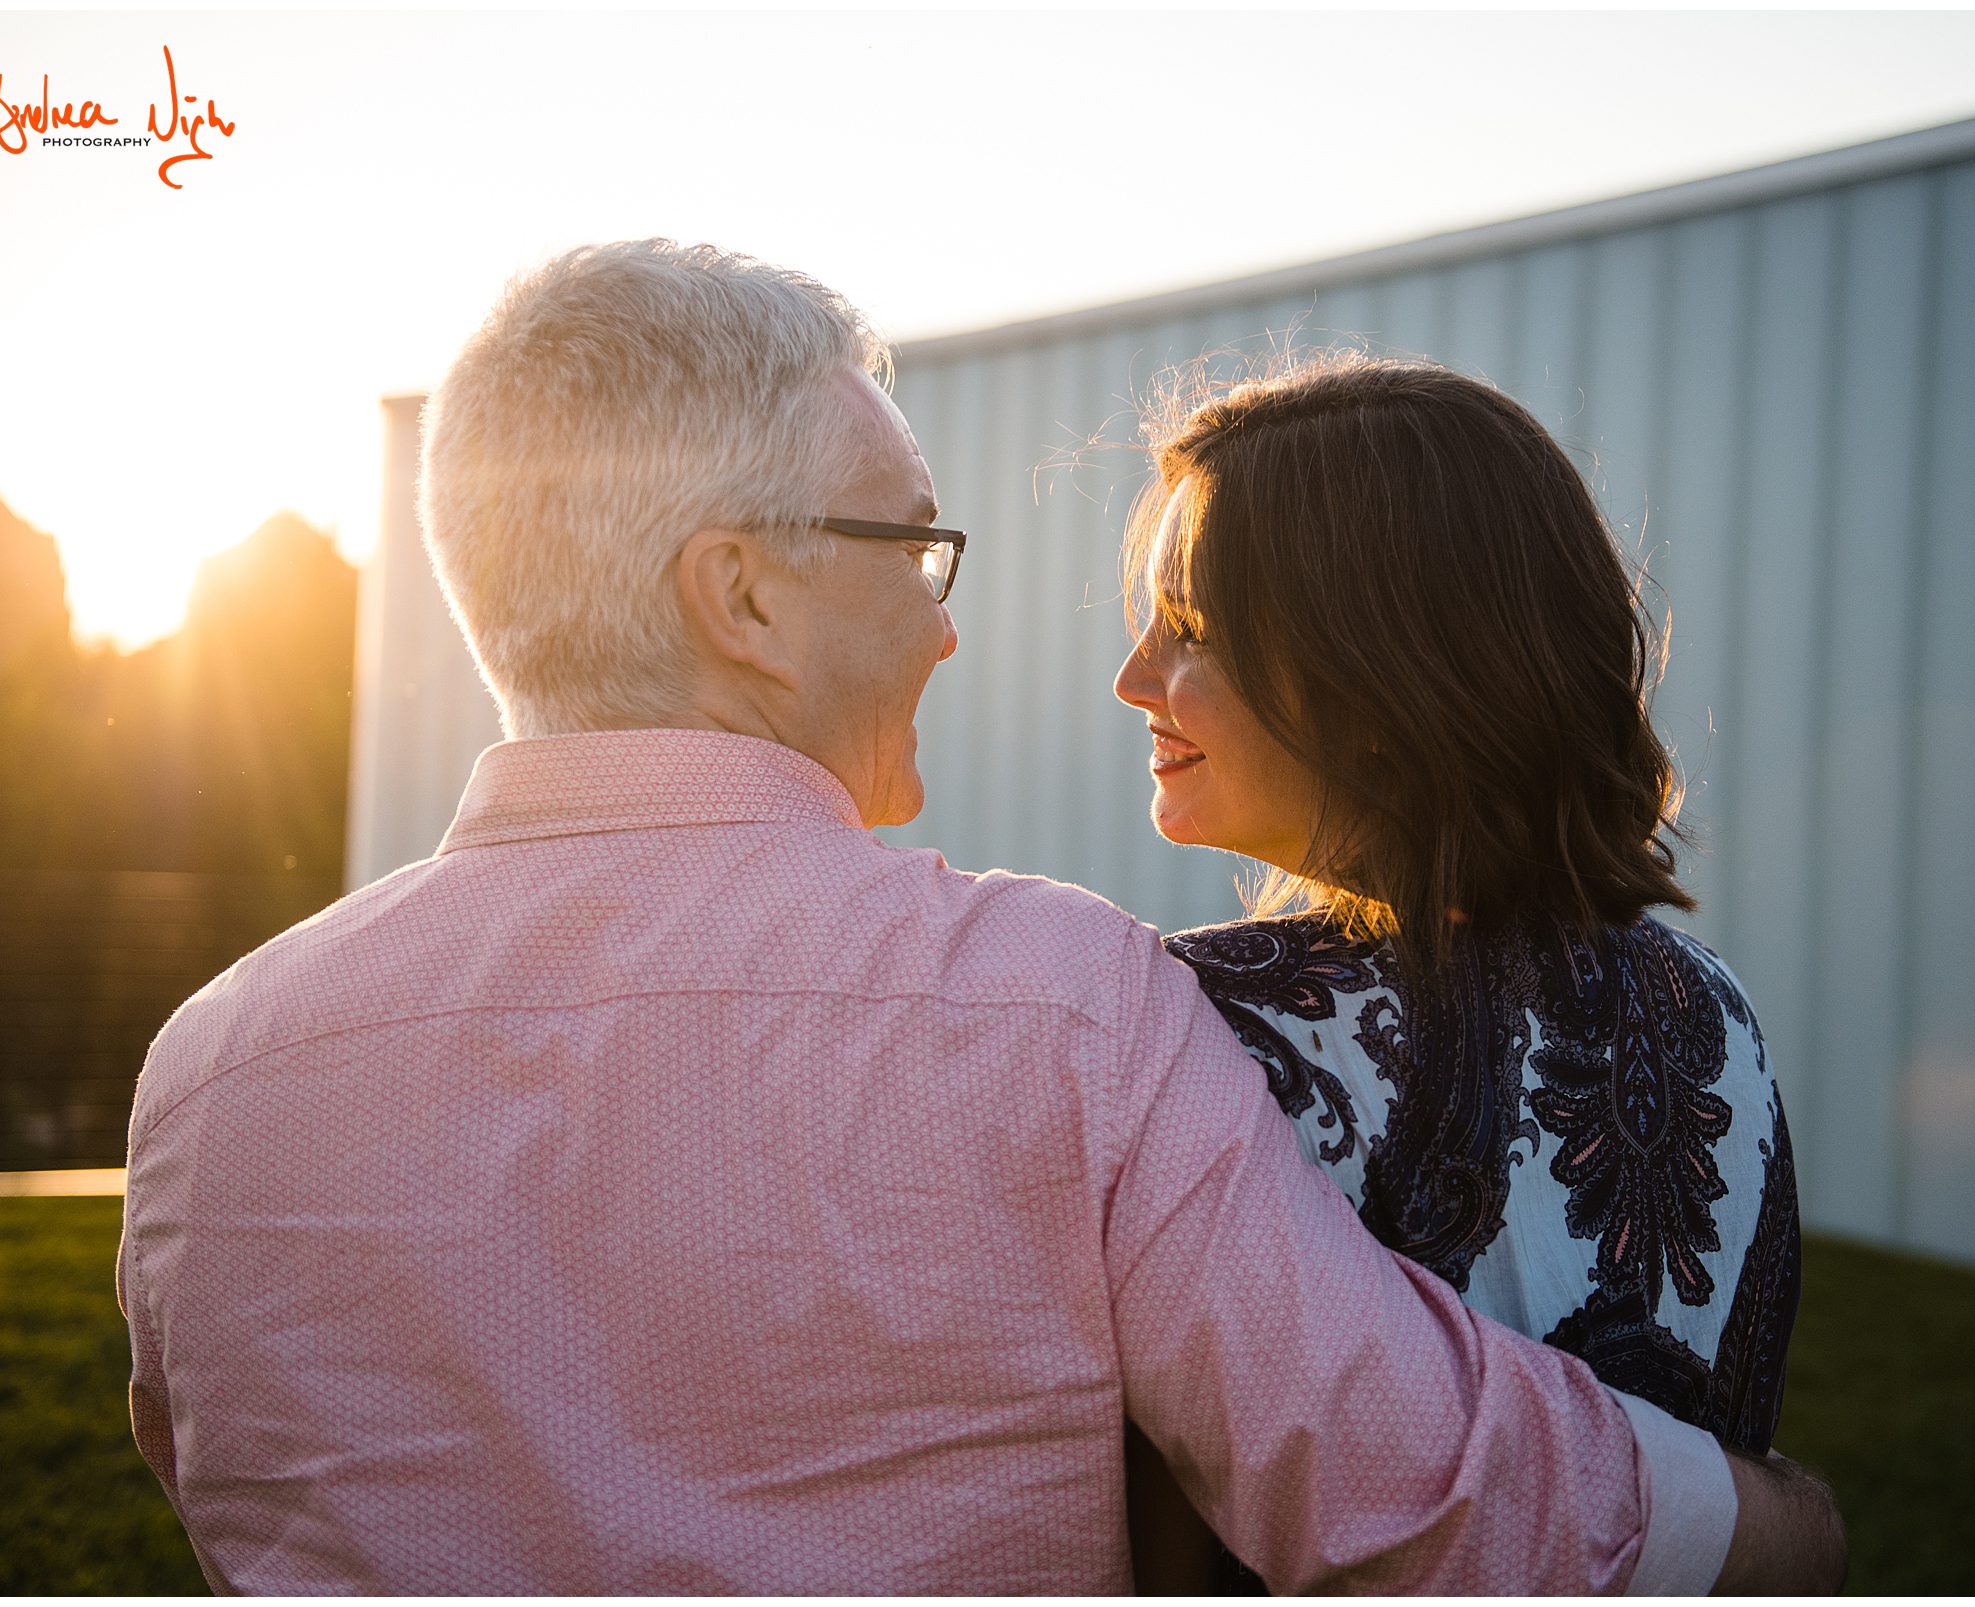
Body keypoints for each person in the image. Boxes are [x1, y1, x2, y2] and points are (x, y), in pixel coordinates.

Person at [117, 241, 1842, 1593]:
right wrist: (1768, 1527)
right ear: (744, 597)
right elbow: (1405, 1489)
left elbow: (208, 1483)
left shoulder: (205, 1081)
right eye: (913, 550)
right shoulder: (1058, 1011)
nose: (949, 628)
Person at [1111, 352, 1806, 1584]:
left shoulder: (1187, 1019)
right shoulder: (1716, 1008)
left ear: (1383, 672)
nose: (1134, 682)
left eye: (1195, 631)